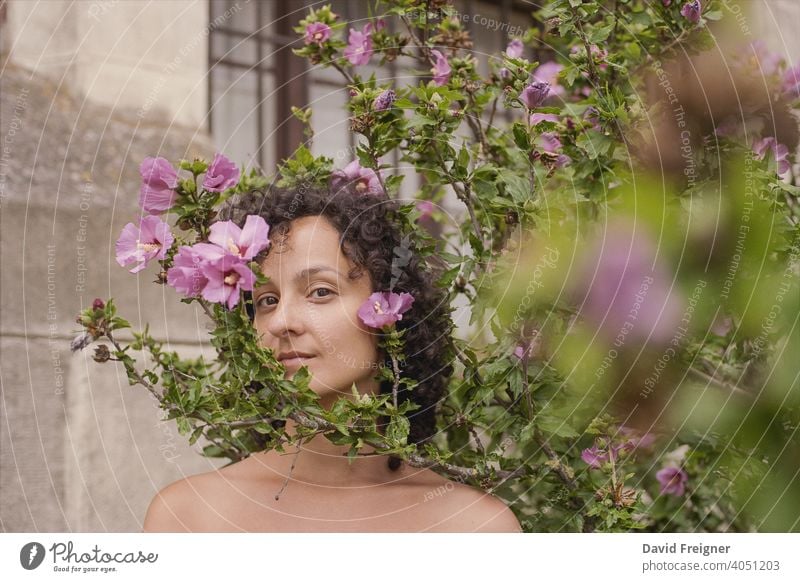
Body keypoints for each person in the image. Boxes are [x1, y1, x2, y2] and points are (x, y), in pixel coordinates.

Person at [143, 182, 521, 532]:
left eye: (320, 292)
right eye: (267, 300)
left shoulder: (474, 527)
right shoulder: (189, 518)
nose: (282, 321)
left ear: (392, 309)